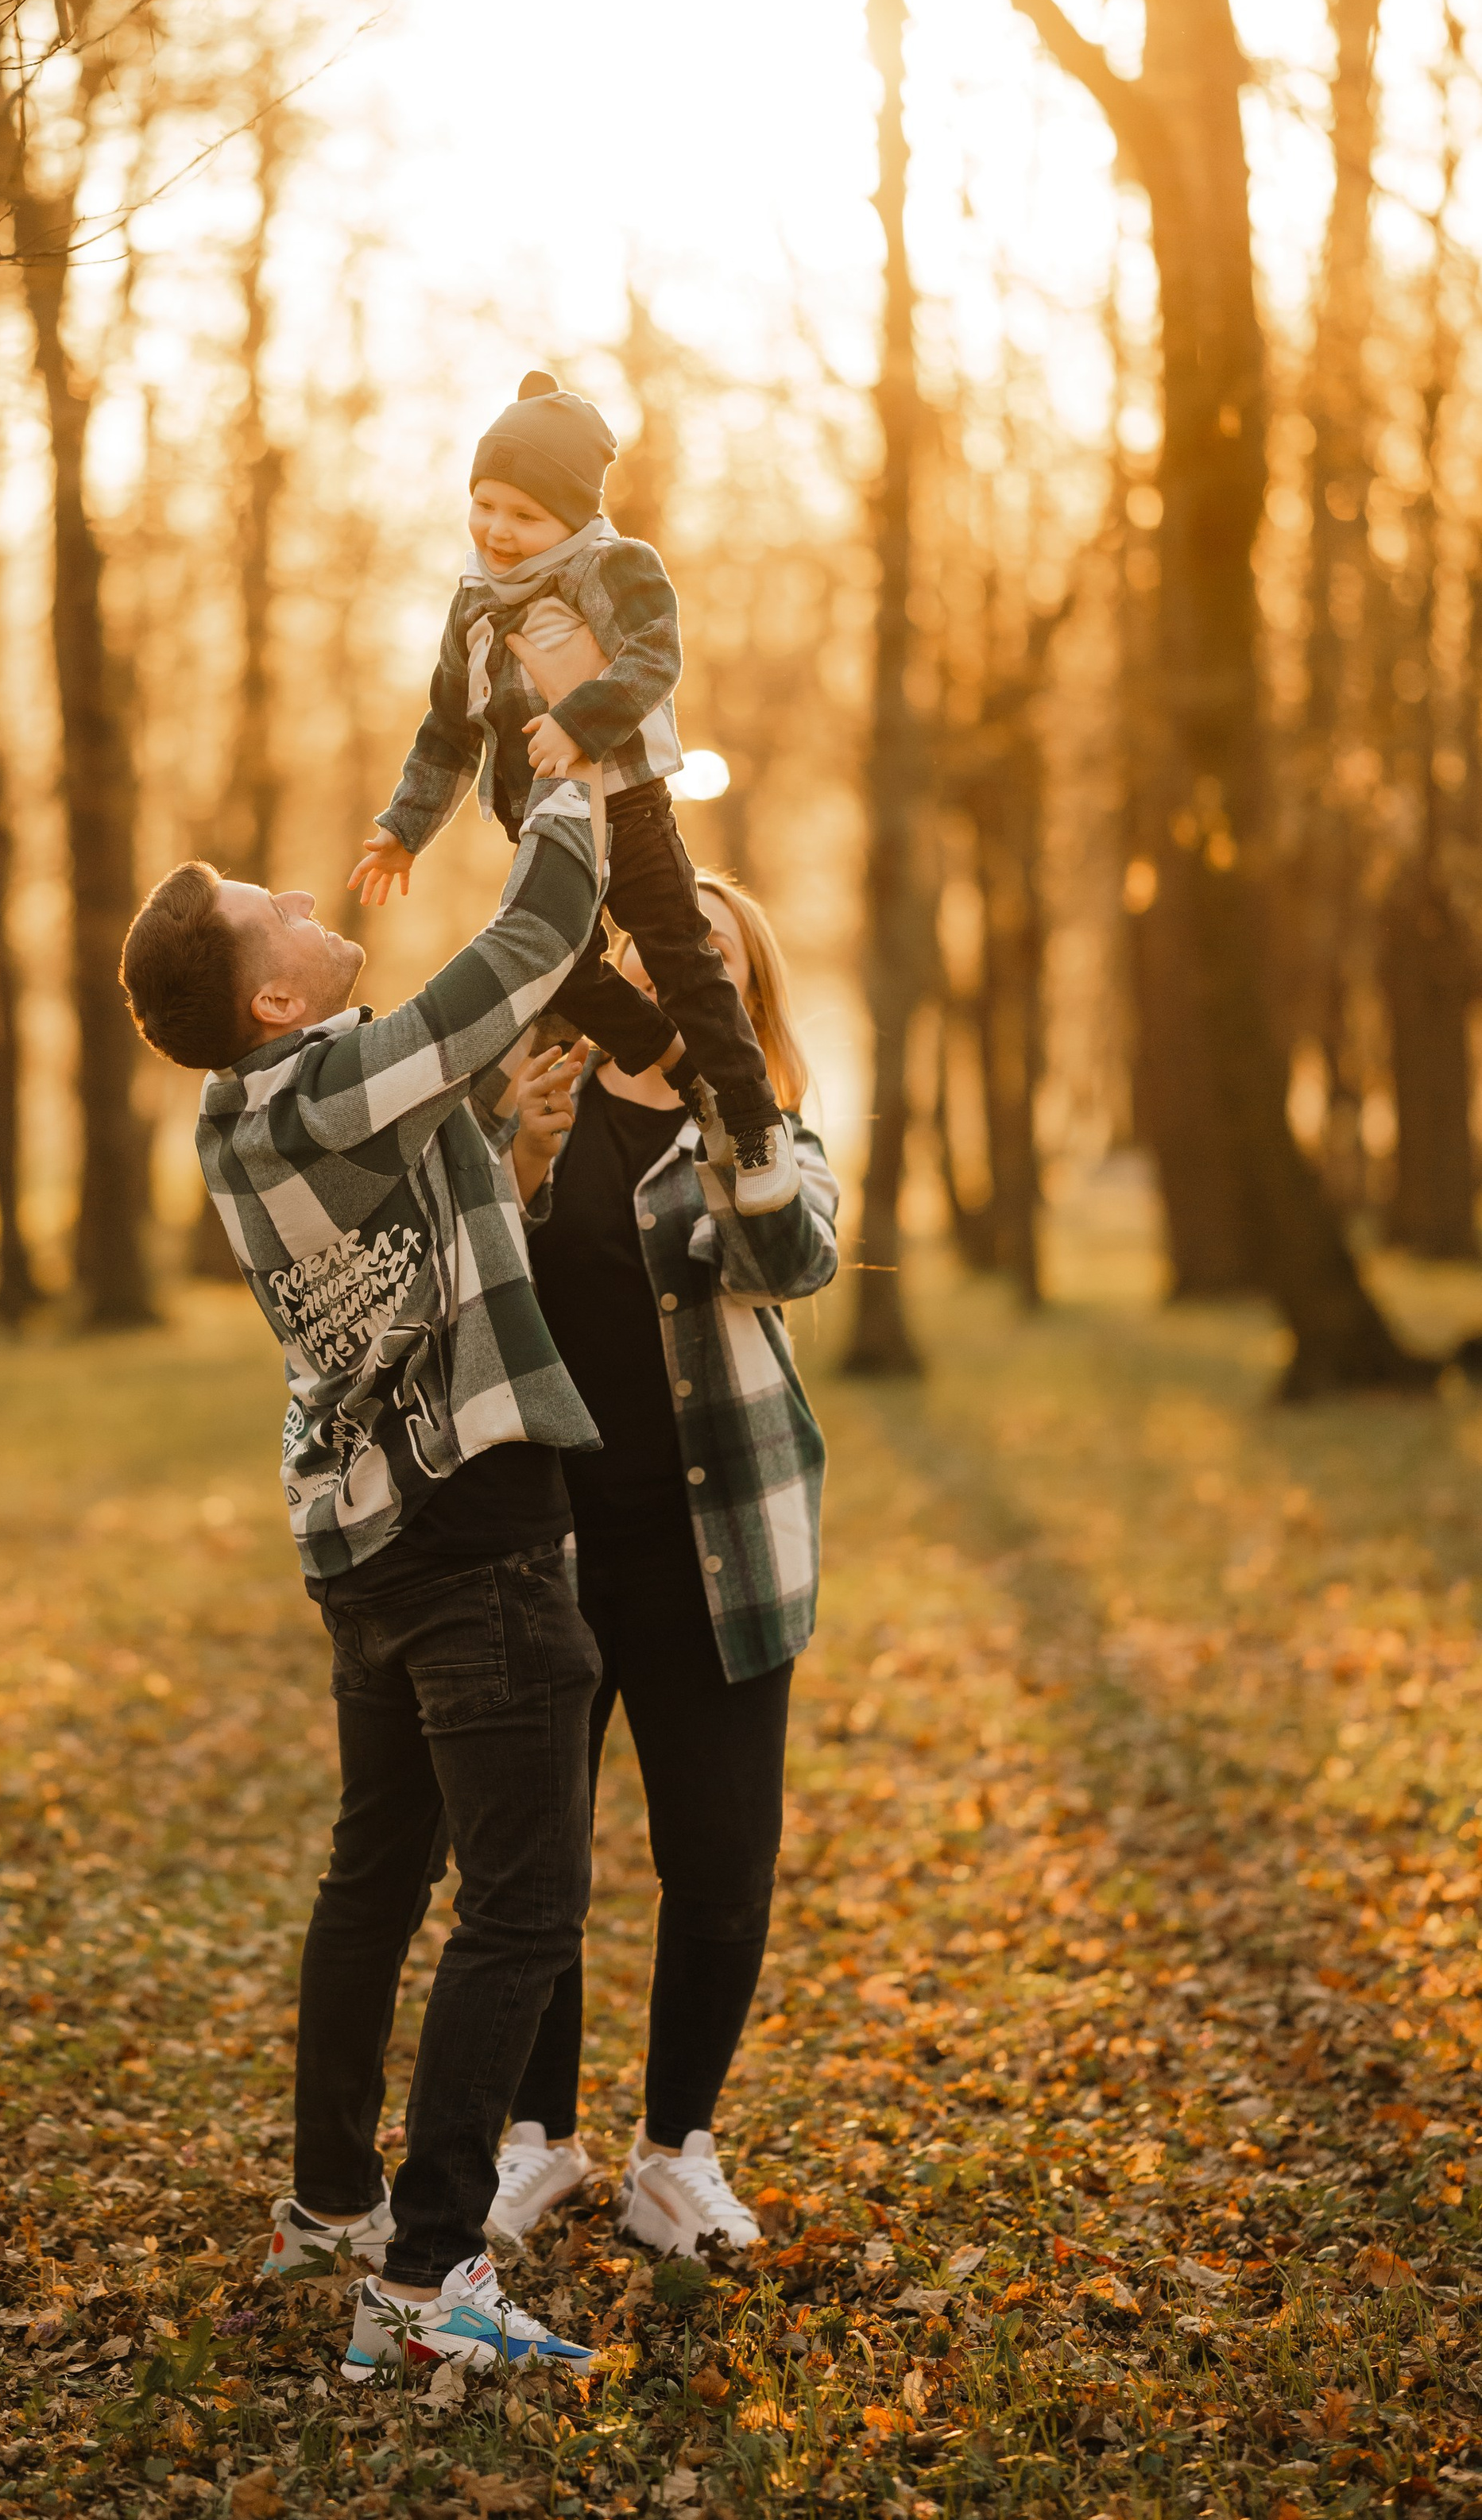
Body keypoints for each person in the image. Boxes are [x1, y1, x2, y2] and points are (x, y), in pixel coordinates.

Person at [118, 626, 665, 2385]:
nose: (302, 889)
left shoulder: (243, 1113)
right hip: (467, 1533)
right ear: (271, 996)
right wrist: (569, 777)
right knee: (520, 1904)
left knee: (377, 1870)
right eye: (275, 904)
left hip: (363, 1538)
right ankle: (427, 2280)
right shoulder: (323, 1073)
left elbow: (409, 1229)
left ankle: (328, 2204)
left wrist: (502, 1147)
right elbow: (518, 949)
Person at [485, 873, 838, 2259]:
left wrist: (719, 1096)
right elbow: (461, 1282)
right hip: (535, 1555)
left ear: (737, 1001)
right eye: (651, 933)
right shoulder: (529, 1102)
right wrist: (515, 1154)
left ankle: (675, 2152)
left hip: (719, 1554)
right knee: (533, 1867)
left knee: (723, 1863)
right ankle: (537, 2139)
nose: (672, 952)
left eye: (711, 949)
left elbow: (790, 1250)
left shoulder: (765, 1134)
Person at [349, 370, 799, 1216]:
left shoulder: (611, 565)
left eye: (525, 515)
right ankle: (681, 1067)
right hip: (542, 833)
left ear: (572, 516)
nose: (499, 530)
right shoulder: (472, 604)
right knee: (553, 972)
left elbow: (654, 655)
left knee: (683, 956)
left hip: (624, 808)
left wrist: (581, 720)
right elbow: (448, 729)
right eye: (486, 504)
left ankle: (752, 1117)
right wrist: (406, 826)